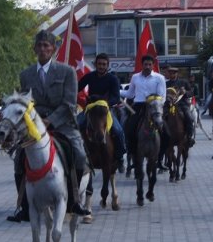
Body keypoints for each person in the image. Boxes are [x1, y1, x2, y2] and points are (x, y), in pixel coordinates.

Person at [9, 30, 91, 223]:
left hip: (62, 123)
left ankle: (74, 201)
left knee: (79, 154)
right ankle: (24, 206)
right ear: (35, 49)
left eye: (47, 46)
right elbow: (24, 103)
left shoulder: (67, 72)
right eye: (40, 45)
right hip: (34, 125)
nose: (43, 49)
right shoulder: (26, 75)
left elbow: (69, 104)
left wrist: (50, 120)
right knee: (19, 157)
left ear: (53, 49)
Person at [77, 53, 127, 171]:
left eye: (104, 64)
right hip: (90, 110)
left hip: (105, 110)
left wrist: (106, 103)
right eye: (99, 64)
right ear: (95, 64)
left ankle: (120, 158)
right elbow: (77, 88)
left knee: (118, 131)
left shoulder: (113, 79)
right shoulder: (89, 76)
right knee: (76, 125)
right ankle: (75, 155)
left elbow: (116, 96)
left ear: (107, 65)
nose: (101, 66)